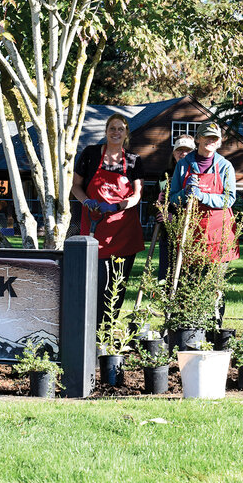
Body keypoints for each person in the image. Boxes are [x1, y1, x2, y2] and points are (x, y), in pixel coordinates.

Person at [71, 113, 145, 326]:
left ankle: (108, 327)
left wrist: (117, 205)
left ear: (126, 133)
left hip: (123, 230)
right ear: (106, 131)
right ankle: (90, 326)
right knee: (96, 281)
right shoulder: (91, 154)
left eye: (120, 129)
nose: (116, 132)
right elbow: (76, 186)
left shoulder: (133, 160)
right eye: (112, 128)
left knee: (117, 283)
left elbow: (137, 194)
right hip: (95, 228)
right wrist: (86, 201)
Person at [169, 120, 239, 323]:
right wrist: (185, 193)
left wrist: (202, 196)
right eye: (207, 137)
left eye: (215, 138)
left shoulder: (225, 166)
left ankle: (215, 327)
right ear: (198, 138)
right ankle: (190, 326)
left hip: (220, 233)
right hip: (191, 234)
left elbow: (229, 198)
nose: (211, 141)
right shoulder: (183, 165)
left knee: (216, 284)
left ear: (219, 143)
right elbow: (173, 197)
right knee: (190, 283)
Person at [156, 135, 195, 281]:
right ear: (173, 153)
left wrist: (177, 218)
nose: (183, 153)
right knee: (166, 276)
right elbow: (150, 206)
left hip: (190, 232)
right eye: (179, 150)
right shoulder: (165, 177)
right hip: (167, 233)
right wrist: (158, 206)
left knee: (187, 277)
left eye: (187, 150)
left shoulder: (196, 175)